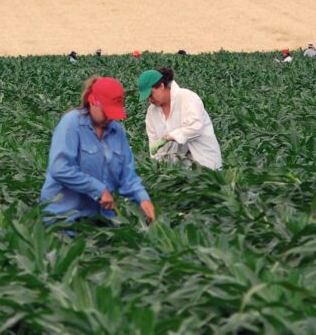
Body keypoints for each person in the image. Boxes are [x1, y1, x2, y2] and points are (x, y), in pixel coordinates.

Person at [40, 76, 155, 224]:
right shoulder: (71, 124)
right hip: (64, 217)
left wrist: (143, 198)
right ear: (92, 101)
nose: (110, 118)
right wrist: (99, 190)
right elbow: (59, 168)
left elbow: (128, 176)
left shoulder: (117, 131)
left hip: (100, 217)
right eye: (107, 111)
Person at [138, 68, 223, 170]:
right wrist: (158, 168)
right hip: (178, 170)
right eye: (147, 97)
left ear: (161, 86)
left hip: (204, 162)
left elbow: (196, 127)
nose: (150, 99)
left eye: (151, 94)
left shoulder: (187, 97)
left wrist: (169, 137)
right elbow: (155, 146)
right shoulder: (151, 113)